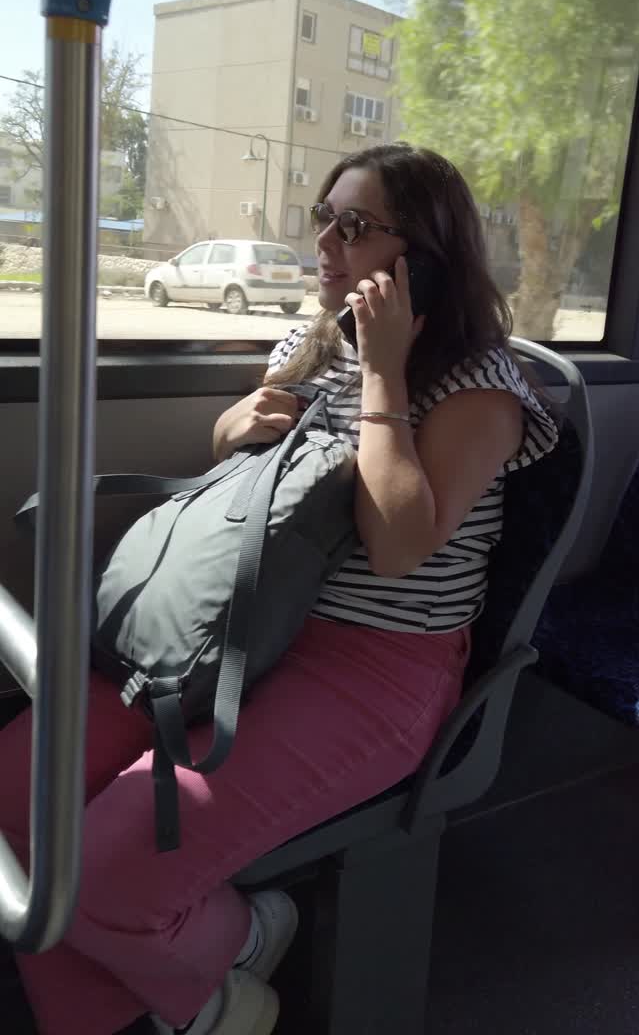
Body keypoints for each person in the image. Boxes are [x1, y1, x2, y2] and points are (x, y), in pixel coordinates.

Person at [0, 144, 557, 1035]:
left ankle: (229, 956)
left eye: (357, 226)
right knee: (14, 795)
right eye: (323, 217)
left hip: (371, 670)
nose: (326, 242)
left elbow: (400, 548)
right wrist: (237, 425)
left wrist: (382, 374)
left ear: (425, 255)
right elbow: (249, 462)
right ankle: (203, 986)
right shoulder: (315, 337)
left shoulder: (479, 388)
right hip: (242, 621)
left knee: (102, 872)